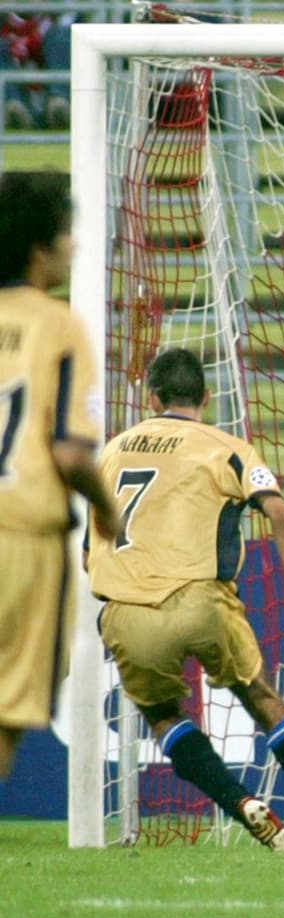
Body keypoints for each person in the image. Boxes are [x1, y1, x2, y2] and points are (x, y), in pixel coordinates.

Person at [85, 347, 284, 853]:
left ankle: (242, 804)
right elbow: (281, 516)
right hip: (200, 598)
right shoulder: (226, 446)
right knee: (262, 698)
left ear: (151, 397)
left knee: (163, 715)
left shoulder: (111, 451)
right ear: (207, 396)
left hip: (127, 609)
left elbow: (92, 546)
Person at [0, 171, 122, 788]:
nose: (76, 245)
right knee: (4, 718)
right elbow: (71, 455)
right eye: (67, 233)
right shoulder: (58, 325)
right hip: (22, 535)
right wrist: (107, 510)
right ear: (38, 246)